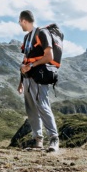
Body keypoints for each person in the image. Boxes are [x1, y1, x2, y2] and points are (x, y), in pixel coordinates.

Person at [18, 10, 59, 152]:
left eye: (19, 22)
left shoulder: (42, 33)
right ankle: (38, 141)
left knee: (42, 106)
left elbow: (49, 56)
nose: (19, 25)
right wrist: (21, 82)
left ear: (23, 20)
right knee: (31, 110)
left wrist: (31, 66)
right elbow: (25, 60)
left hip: (40, 76)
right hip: (28, 79)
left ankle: (54, 139)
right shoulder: (27, 37)